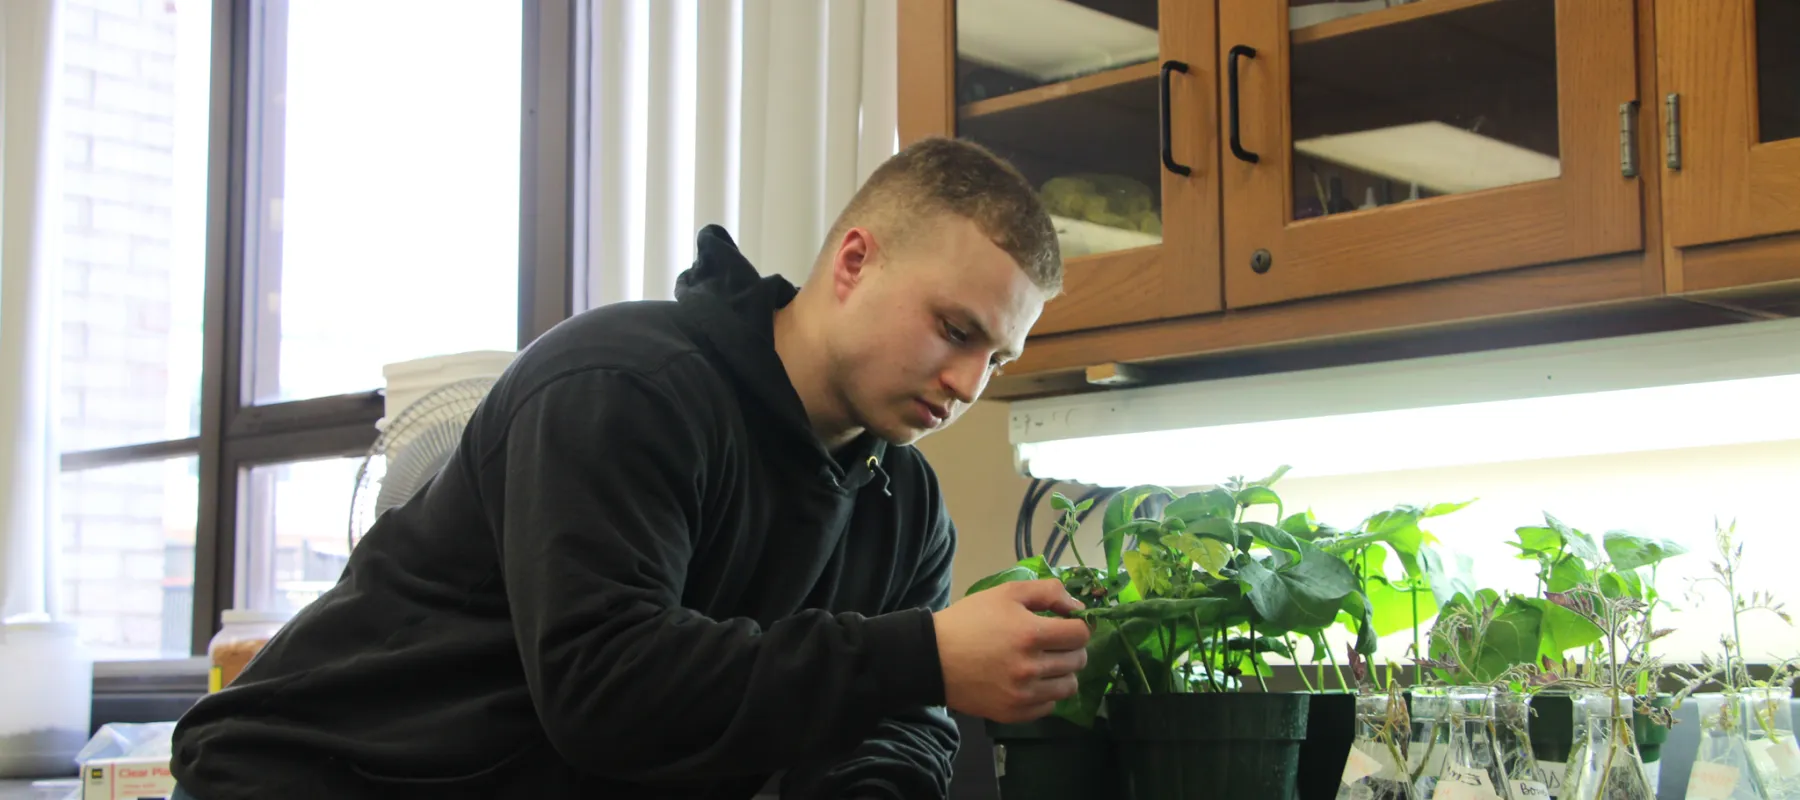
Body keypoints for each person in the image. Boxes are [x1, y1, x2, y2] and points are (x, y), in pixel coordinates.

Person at [167, 136, 1092, 799]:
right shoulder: (623, 386)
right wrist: (923, 654)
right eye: (955, 329)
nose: (968, 382)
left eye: (998, 359)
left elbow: (898, 724)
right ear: (854, 262)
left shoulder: (906, 507)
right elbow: (607, 689)